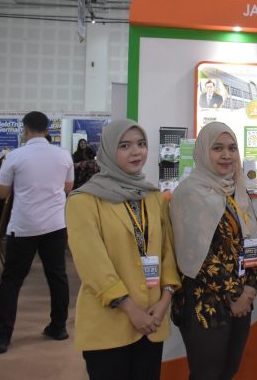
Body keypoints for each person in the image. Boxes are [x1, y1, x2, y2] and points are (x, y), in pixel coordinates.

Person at [66, 119, 181, 380]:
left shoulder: (153, 197)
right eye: (125, 146)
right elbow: (92, 264)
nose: (136, 152)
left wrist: (164, 301)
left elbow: (167, 253)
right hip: (109, 322)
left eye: (141, 144)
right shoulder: (84, 200)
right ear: (108, 150)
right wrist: (132, 310)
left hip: (152, 320)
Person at [170, 122, 257, 380]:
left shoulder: (237, 190)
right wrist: (235, 295)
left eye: (232, 148)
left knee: (229, 370)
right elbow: (196, 255)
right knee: (206, 374)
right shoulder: (189, 193)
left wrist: (251, 288)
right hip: (204, 303)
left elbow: (253, 241)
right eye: (217, 148)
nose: (226, 155)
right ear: (202, 152)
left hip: (242, 299)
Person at [0, 111, 74, 354]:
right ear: (47, 130)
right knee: (57, 276)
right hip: (55, 225)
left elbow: (1, 193)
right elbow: (68, 188)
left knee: (11, 281)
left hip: (24, 226)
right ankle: (58, 327)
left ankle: (2, 336)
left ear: (25, 130)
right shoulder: (63, 155)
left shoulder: (14, 156)